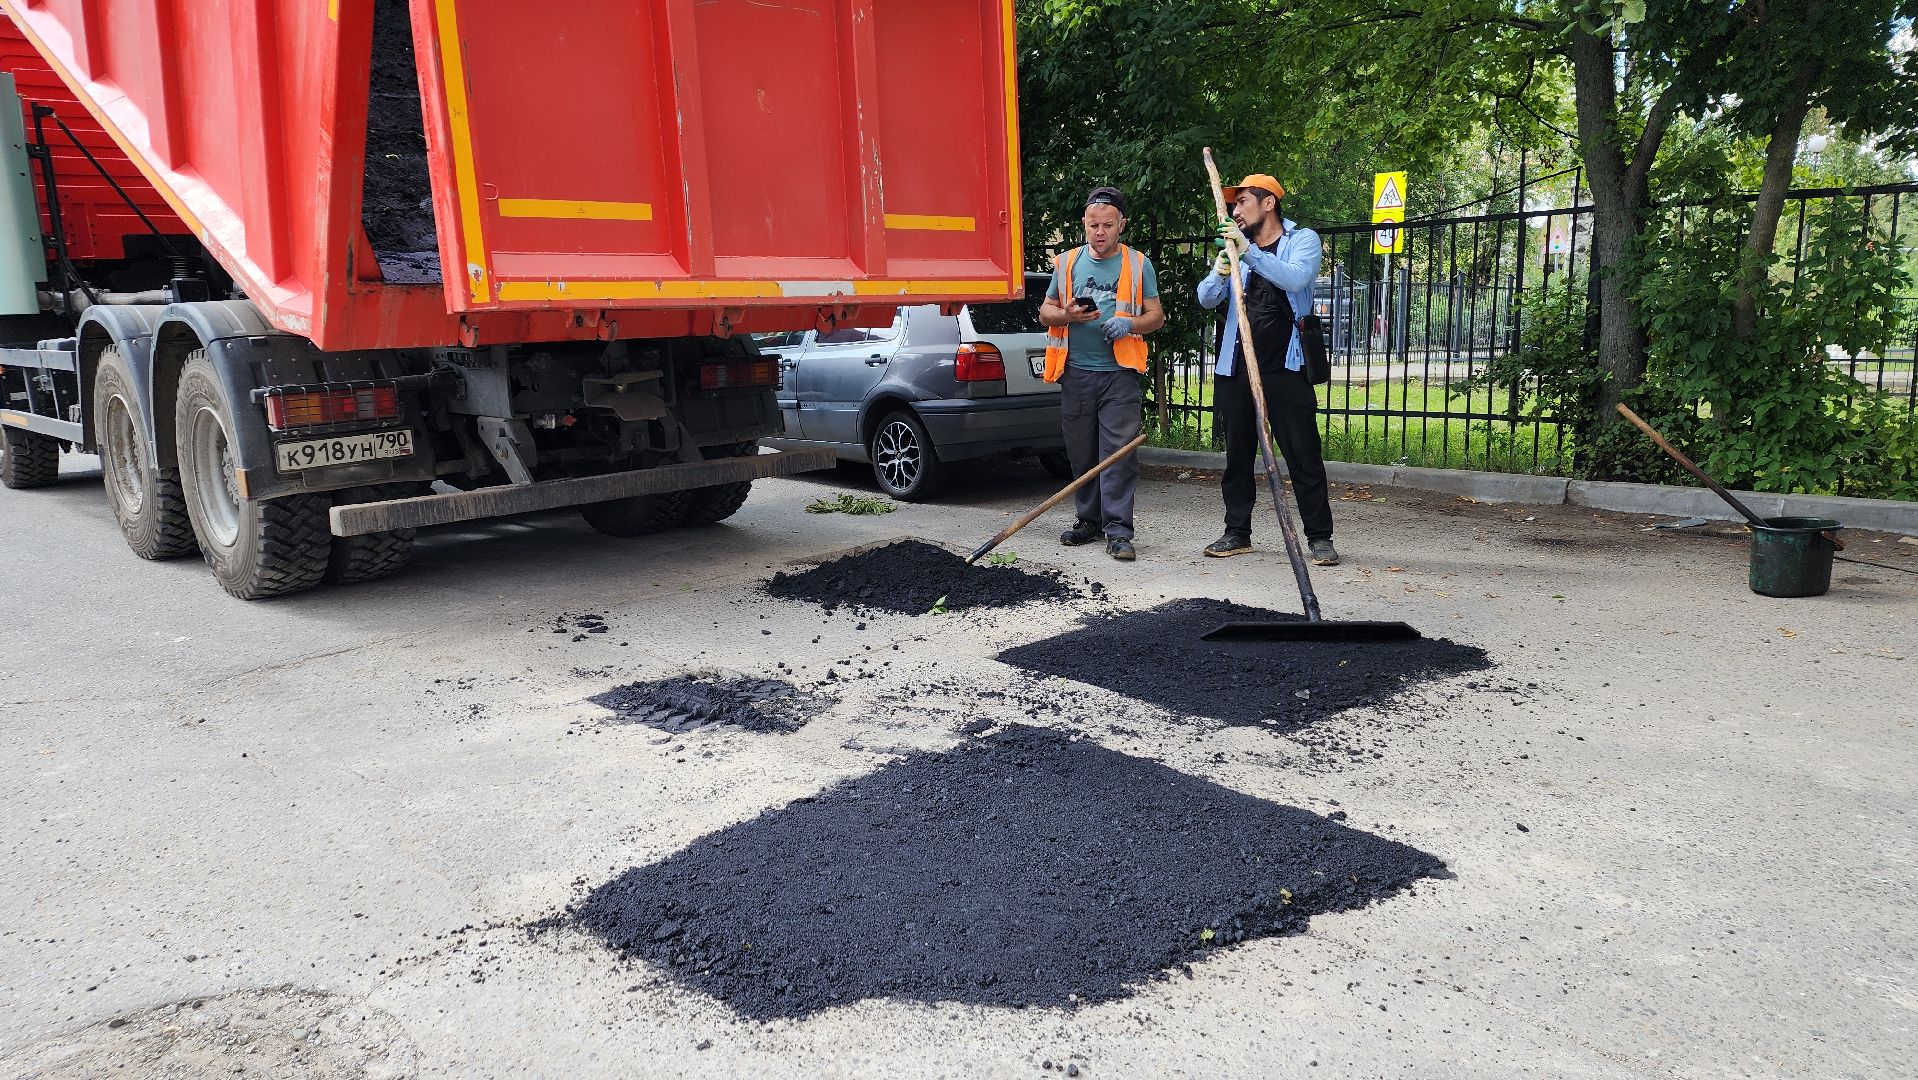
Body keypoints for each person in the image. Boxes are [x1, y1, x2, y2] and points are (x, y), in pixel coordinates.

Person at [1196, 173, 1338, 565]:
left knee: (1303, 454)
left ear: (1269, 203)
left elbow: (1296, 279)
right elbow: (1206, 299)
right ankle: (1236, 532)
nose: (1235, 210)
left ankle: (1319, 538)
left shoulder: (1301, 240)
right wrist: (1223, 268)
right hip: (1237, 365)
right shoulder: (1233, 247)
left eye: (1242, 202)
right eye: (1233, 205)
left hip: (1286, 366)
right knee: (1237, 455)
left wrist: (1251, 253)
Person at [1036, 185, 1166, 561]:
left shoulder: (1139, 264)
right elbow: (1046, 312)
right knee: (1081, 452)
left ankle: (1119, 531)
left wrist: (1129, 324)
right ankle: (1088, 522)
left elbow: (1155, 316)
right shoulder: (1065, 263)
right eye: (1093, 225)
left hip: (1119, 375)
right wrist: (1068, 315)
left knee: (1118, 454)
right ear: (1084, 224)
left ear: (1121, 224)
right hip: (1076, 373)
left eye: (1108, 225)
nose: (1100, 232)